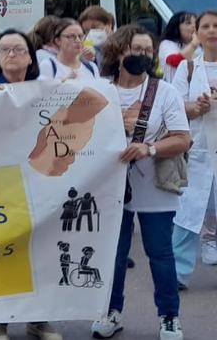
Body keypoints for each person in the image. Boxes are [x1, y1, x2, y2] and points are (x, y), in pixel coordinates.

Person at [91, 25, 191, 340]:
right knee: (112, 253)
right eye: (137, 49)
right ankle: (110, 311)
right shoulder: (98, 89)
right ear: (119, 51)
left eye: (149, 50)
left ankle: (169, 317)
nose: (143, 55)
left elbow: (183, 139)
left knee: (160, 252)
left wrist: (149, 148)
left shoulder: (165, 92)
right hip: (108, 187)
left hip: (154, 186)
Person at [0, 34, 60, 340]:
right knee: (2, 255)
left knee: (40, 253)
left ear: (30, 58)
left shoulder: (48, 92)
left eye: (19, 49)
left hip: (39, 185)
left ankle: (39, 320)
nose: (12, 54)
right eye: (5, 50)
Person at [167, 9, 217, 291]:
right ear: (197, 33)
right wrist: (195, 108)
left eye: (216, 26)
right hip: (197, 152)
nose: (212, 31)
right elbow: (173, 107)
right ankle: (178, 272)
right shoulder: (188, 68)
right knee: (188, 213)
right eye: (206, 26)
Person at [159, 11, 196, 83]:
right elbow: (175, 61)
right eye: (188, 23)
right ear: (176, 27)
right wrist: (194, 43)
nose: (194, 26)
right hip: (175, 92)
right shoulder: (167, 44)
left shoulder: (201, 47)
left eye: (196, 23)